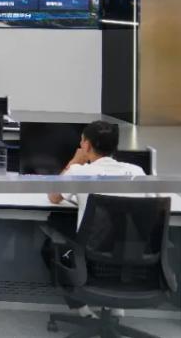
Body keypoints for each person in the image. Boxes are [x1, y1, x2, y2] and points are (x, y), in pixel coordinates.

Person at [43, 120, 148, 319]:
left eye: (82, 141)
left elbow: (54, 197)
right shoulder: (137, 172)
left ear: (87, 145)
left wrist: (75, 161)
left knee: (51, 248)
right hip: (135, 257)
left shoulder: (80, 172)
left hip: (91, 258)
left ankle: (82, 309)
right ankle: (115, 307)